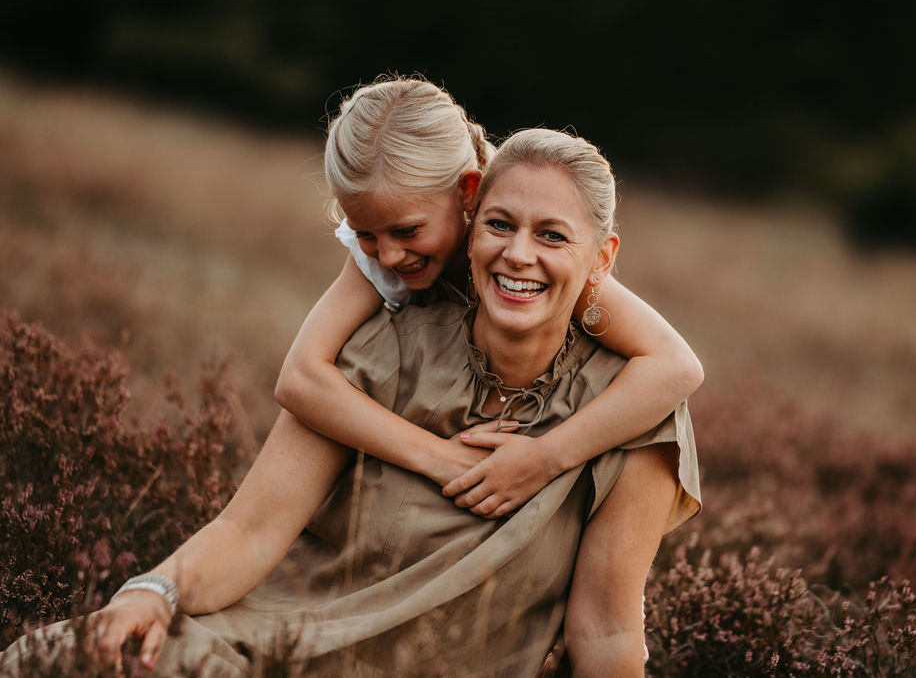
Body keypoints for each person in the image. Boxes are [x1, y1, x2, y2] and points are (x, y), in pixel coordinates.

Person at [1, 129, 700, 677]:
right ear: (469, 223)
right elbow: (248, 532)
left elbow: (606, 631)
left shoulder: (630, 412)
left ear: (601, 258)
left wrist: (547, 455)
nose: (519, 254)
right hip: (269, 647)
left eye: (552, 235)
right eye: (499, 225)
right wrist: (152, 590)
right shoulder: (384, 350)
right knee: (67, 660)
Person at [274, 76, 703, 518]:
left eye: (407, 230)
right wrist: (437, 457)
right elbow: (300, 377)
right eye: (365, 233)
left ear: (469, 193)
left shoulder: (526, 253)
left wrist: (545, 458)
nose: (386, 254)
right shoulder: (388, 250)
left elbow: (676, 366)